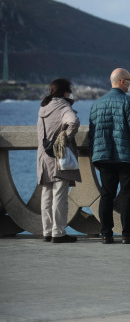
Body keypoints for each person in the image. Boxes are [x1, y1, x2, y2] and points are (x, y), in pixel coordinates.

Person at [88, 68, 130, 244]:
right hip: (126, 157)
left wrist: (95, 155)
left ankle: (105, 234)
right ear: (122, 82)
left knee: (106, 194)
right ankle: (128, 234)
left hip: (103, 156)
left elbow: (92, 134)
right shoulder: (129, 103)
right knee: (128, 195)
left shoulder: (96, 104)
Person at [37, 78, 81, 243]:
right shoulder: (63, 106)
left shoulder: (43, 108)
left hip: (43, 157)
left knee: (46, 195)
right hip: (59, 155)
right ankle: (58, 232)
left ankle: (47, 231)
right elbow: (74, 122)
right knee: (59, 195)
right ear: (64, 92)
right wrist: (65, 137)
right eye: (69, 90)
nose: (70, 93)